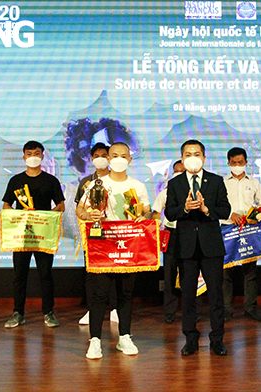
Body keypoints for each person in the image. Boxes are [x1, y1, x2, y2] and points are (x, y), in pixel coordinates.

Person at [81, 142, 151, 359]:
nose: (119, 159)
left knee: (126, 294)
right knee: (99, 294)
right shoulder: (97, 185)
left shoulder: (137, 186)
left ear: (130, 160)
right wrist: (89, 215)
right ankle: (95, 340)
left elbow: (147, 211)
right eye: (115, 155)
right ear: (108, 159)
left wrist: (143, 217)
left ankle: (125, 337)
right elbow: (81, 210)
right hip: (102, 246)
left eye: (124, 155)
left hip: (128, 248)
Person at [165, 140, 231, 356]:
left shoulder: (216, 180)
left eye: (196, 153)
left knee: (215, 295)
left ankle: (217, 339)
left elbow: (225, 210)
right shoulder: (175, 184)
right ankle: (190, 339)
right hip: (185, 247)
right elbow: (169, 213)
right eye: (187, 154)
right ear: (182, 158)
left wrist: (205, 209)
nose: (192, 157)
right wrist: (184, 208)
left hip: (211, 247)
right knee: (188, 296)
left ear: (204, 157)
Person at [2, 141, 65, 329]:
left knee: (45, 274)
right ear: (24, 157)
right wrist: (17, 216)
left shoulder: (50, 180)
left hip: (43, 235)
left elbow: (60, 205)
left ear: (42, 156)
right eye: (29, 153)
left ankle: (48, 312)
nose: (33, 156)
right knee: (19, 275)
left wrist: (48, 217)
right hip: (22, 236)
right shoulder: (16, 181)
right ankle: (18, 313)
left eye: (37, 153)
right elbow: (6, 205)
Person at [151, 160, 202, 324]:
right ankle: (170, 311)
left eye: (182, 171)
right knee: (170, 274)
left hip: (190, 234)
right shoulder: (165, 193)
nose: (179, 174)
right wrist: (157, 223)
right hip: (170, 234)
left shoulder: (197, 192)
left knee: (191, 273)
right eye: (176, 171)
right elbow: (156, 212)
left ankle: (193, 310)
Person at [73, 143, 116, 326]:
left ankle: (114, 309)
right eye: (96, 155)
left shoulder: (116, 179)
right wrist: (86, 216)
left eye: (104, 155)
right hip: (92, 233)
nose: (100, 158)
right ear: (92, 159)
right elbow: (79, 208)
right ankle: (92, 310)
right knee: (91, 273)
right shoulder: (86, 182)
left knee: (114, 271)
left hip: (114, 233)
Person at [222, 147, 261, 322]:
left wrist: (255, 215)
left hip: (249, 230)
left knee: (250, 272)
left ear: (246, 163)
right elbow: (217, 207)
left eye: (240, 162)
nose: (237, 165)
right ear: (229, 164)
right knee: (226, 273)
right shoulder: (222, 183)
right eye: (233, 163)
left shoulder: (254, 183)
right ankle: (226, 309)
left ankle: (250, 308)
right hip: (228, 230)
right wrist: (229, 215)